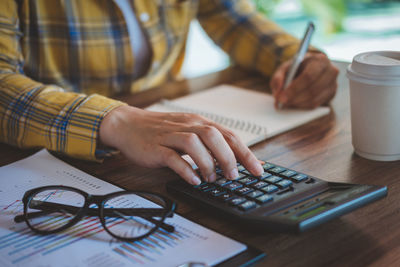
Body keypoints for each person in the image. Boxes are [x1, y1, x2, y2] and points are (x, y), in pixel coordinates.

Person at [0, 0, 338, 185]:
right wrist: (116, 120)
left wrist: (299, 61)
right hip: (50, 162)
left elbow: (232, 17)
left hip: (160, 158)